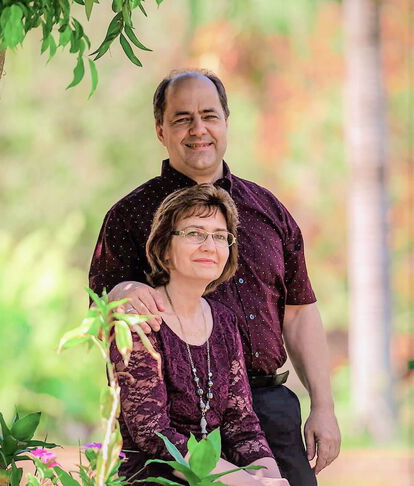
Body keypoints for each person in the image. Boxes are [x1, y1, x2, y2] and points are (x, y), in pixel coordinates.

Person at [89, 69, 340, 486]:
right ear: (160, 130)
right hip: (173, 422)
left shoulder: (268, 209)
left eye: (209, 115)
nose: (198, 129)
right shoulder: (130, 215)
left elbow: (299, 312)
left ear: (226, 122)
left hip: (265, 411)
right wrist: (121, 291)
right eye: (182, 118)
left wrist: (324, 407)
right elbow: (101, 313)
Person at [110, 183, 289, 485]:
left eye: (220, 236)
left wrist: (270, 479)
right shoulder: (139, 319)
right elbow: (154, 435)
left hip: (222, 479)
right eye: (195, 233)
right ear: (164, 248)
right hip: (156, 479)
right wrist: (248, 484)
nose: (209, 245)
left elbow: (242, 425)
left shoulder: (224, 321)